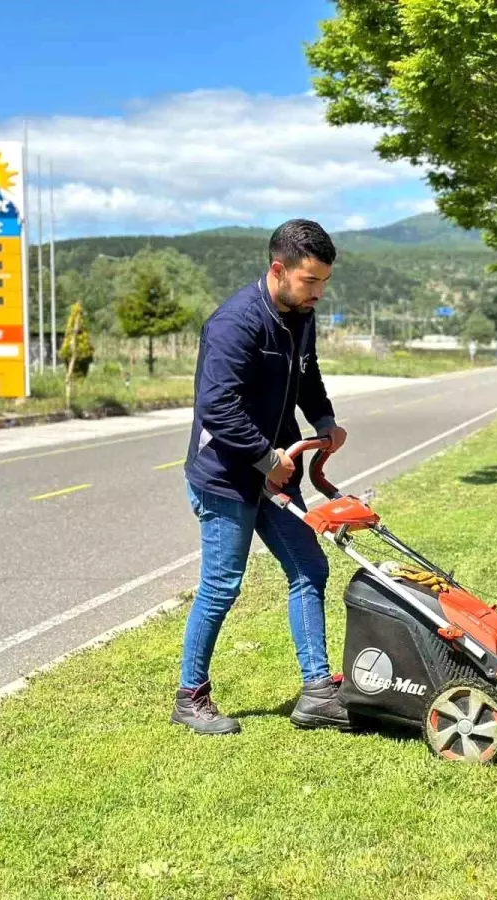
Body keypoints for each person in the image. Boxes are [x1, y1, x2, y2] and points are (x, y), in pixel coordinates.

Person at [173, 219, 350, 736]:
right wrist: (265, 459)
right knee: (222, 584)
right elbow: (216, 407)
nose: (318, 292)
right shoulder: (235, 323)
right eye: (310, 281)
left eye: (323, 282)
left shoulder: (301, 315)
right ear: (279, 270)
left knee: (309, 568)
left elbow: (307, 375)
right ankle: (190, 697)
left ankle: (317, 691)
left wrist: (323, 422)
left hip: (278, 471)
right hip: (226, 476)